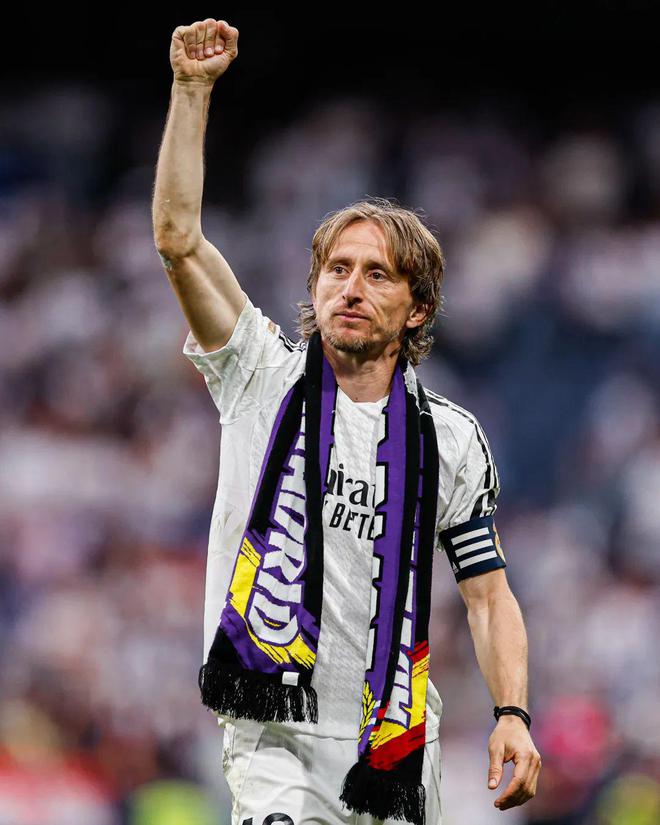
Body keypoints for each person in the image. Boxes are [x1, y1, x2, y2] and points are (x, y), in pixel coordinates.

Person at [152, 17, 542, 825]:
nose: (351, 288)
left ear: (418, 307)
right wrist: (191, 91)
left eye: (377, 274)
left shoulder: (451, 439)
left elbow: (487, 593)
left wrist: (512, 710)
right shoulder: (259, 374)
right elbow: (178, 240)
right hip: (277, 737)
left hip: (393, 744)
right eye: (337, 269)